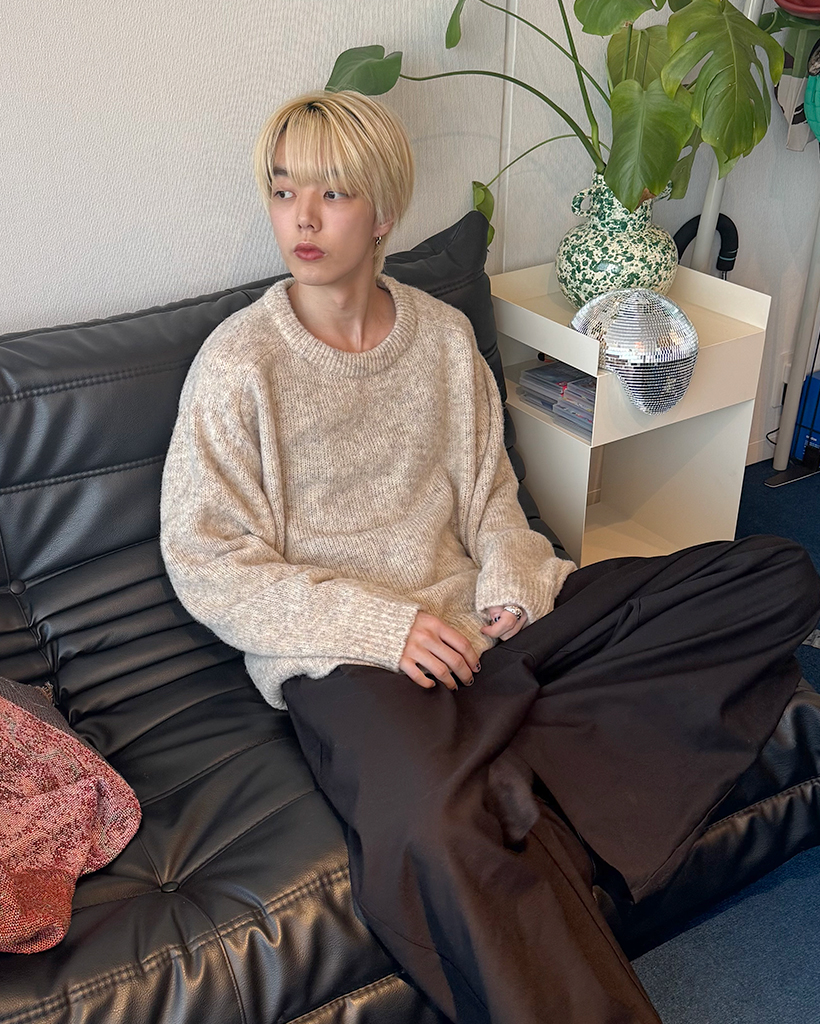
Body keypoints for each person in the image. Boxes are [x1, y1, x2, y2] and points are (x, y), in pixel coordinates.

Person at [159, 89, 820, 1024]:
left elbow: (491, 501)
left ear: (383, 212)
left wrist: (511, 585)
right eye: (282, 190)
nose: (301, 218)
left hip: (489, 633)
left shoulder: (440, 337)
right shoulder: (239, 365)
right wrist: (386, 628)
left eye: (332, 193)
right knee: (437, 823)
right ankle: (501, 761)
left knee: (772, 576)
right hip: (350, 660)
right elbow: (208, 561)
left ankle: (499, 743)